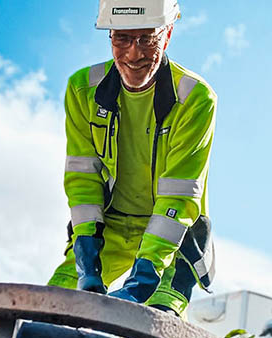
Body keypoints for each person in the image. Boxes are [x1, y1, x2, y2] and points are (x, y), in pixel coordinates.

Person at [48, 0, 217, 316]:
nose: (134, 54)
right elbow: (82, 178)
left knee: (157, 332)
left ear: (166, 36)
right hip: (107, 229)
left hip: (173, 238)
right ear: (109, 36)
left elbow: (179, 198)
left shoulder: (194, 98)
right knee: (51, 310)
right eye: (122, 38)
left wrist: (142, 280)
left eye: (147, 38)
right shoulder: (82, 89)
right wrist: (86, 258)